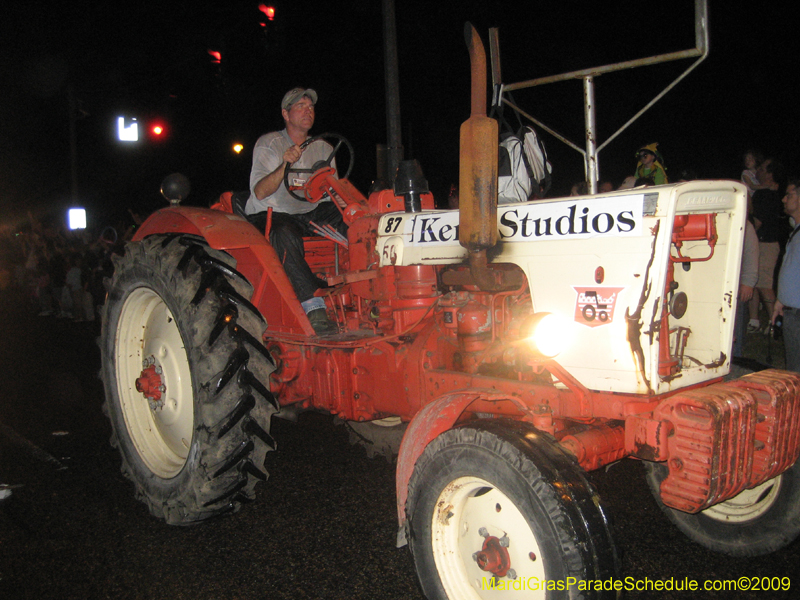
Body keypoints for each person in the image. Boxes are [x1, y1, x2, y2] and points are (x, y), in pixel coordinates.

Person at [245, 87, 344, 335]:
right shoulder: (269, 144)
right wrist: (285, 163)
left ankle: (366, 292)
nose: (307, 110)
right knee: (283, 232)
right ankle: (313, 306)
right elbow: (260, 191)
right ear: (286, 114)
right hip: (272, 213)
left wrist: (347, 205)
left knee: (356, 221)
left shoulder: (323, 148)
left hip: (309, 213)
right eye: (300, 106)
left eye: (310, 106)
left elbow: (333, 190)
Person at [749, 158, 789, 334]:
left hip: (766, 243)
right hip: (761, 242)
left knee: (764, 285)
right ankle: (754, 321)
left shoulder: (767, 194)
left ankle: (776, 323)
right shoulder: (763, 192)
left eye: (762, 168)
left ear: (769, 173)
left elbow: (757, 222)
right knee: (753, 282)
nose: (757, 170)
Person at [771, 179, 800, 372]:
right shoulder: (795, 231)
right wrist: (781, 300)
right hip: (791, 311)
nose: (783, 199)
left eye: (789, 195)